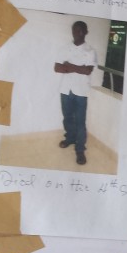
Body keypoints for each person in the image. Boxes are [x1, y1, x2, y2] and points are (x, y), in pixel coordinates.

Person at [55, 21, 97, 166]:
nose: (76, 34)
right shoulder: (65, 48)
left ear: (85, 32)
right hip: (65, 89)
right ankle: (70, 138)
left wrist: (69, 66)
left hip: (81, 91)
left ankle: (80, 150)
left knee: (80, 122)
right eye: (74, 31)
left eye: (80, 31)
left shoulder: (90, 51)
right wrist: (78, 68)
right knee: (67, 118)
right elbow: (57, 67)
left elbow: (88, 71)